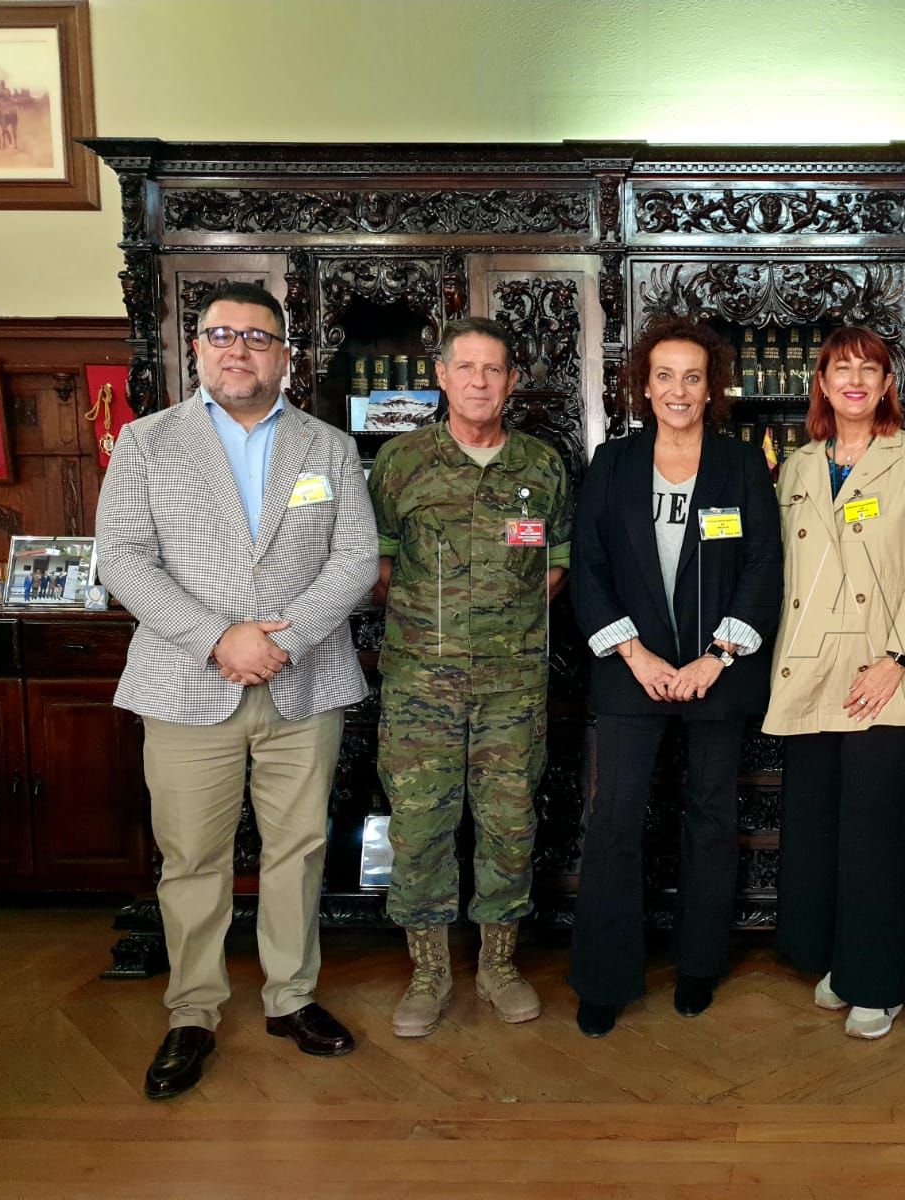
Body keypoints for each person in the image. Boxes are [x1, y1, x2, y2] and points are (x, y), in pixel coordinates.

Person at [96, 280, 378, 1100]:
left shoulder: (327, 448)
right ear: (197, 347)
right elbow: (123, 559)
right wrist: (221, 638)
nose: (238, 350)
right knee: (191, 859)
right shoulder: (148, 443)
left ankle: (292, 996)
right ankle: (193, 1011)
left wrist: (279, 641)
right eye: (222, 335)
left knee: (299, 850)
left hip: (305, 682)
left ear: (285, 356)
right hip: (186, 683)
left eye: (258, 338)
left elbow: (355, 559)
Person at [568, 316, 782, 1037]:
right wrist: (637, 655)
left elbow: (762, 568)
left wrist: (715, 659)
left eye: (693, 376)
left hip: (716, 676)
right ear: (644, 383)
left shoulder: (742, 465)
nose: (679, 390)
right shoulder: (613, 463)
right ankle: (604, 977)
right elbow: (589, 567)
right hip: (632, 671)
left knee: (712, 821)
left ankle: (698, 967)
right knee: (615, 822)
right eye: (665, 375)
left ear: (713, 386)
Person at [368, 316, 573, 1038]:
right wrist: (439, 630)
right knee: (421, 828)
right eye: (467, 369)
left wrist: (500, 626)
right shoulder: (400, 463)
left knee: (510, 825)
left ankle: (498, 964)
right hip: (422, 684)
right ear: (443, 376)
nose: (480, 382)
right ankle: (428, 972)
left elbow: (554, 568)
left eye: (494, 371)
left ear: (511, 382)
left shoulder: (541, 468)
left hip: (513, 686)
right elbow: (382, 569)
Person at [763, 324, 905, 1041]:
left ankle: (881, 983)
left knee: (873, 833)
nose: (853, 380)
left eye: (867, 370)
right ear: (821, 383)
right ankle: (842, 963)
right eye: (840, 368)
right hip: (812, 670)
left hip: (888, 674)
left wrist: (896, 659)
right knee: (820, 829)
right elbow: (782, 574)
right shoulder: (799, 468)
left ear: (885, 386)